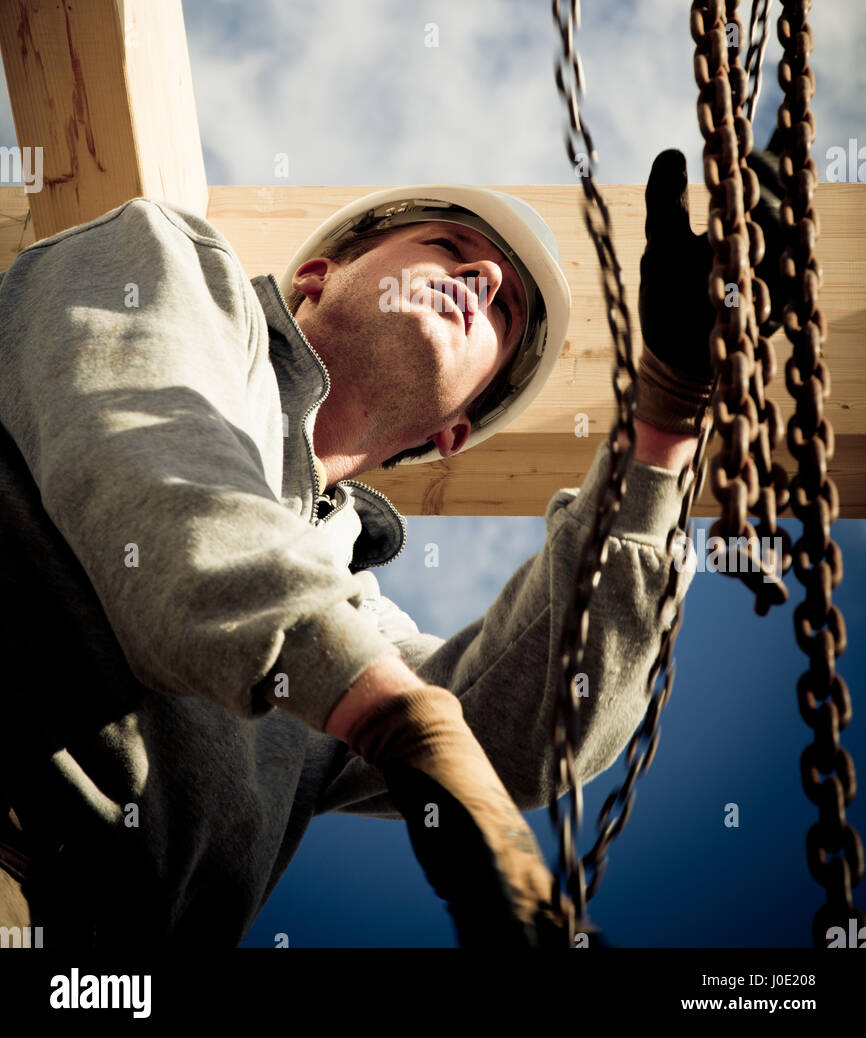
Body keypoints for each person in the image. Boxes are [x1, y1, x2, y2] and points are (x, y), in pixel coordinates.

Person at [0, 152, 782, 948]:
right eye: (447, 245)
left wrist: (670, 413)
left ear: (453, 432)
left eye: (504, 310)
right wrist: (402, 720)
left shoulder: (353, 616)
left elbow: (533, 728)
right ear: (317, 274)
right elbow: (154, 479)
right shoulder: (161, 256)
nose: (478, 276)